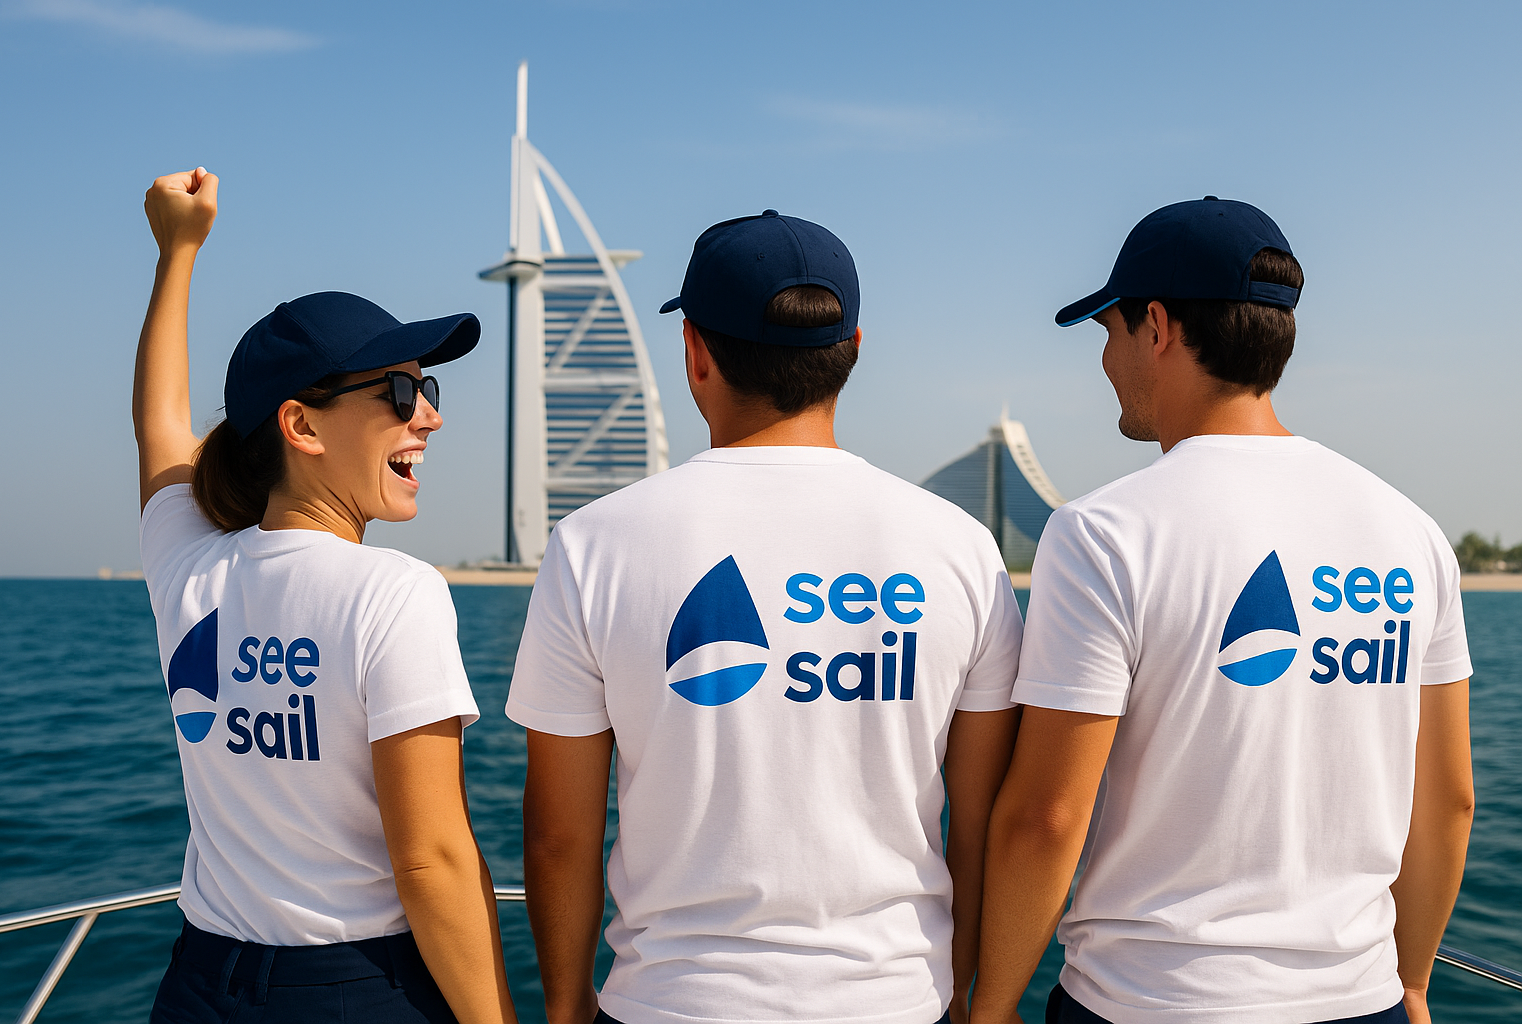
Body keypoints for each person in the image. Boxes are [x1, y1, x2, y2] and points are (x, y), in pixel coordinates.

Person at [506, 210, 1023, 1024]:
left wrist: (566, 1010)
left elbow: (560, 838)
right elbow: (984, 825)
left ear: (695, 353)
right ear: (852, 350)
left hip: (667, 1006)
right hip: (894, 1004)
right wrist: (969, 1000)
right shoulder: (962, 550)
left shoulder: (594, 545)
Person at [972, 197, 1474, 1024]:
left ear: (1158, 328)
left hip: (1147, 1005)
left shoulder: (1103, 534)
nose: (1104, 359)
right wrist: (1411, 982)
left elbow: (1047, 816)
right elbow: (1449, 799)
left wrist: (988, 1006)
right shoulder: (1410, 532)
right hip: (1359, 1002)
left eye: (1108, 331)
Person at [134, 167, 518, 1024]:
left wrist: (176, 251)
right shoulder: (395, 594)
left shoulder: (187, 570)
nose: (429, 416)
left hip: (199, 986)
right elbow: (433, 862)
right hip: (354, 990)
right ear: (300, 425)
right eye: (400, 391)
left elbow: (160, 427)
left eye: (428, 389)